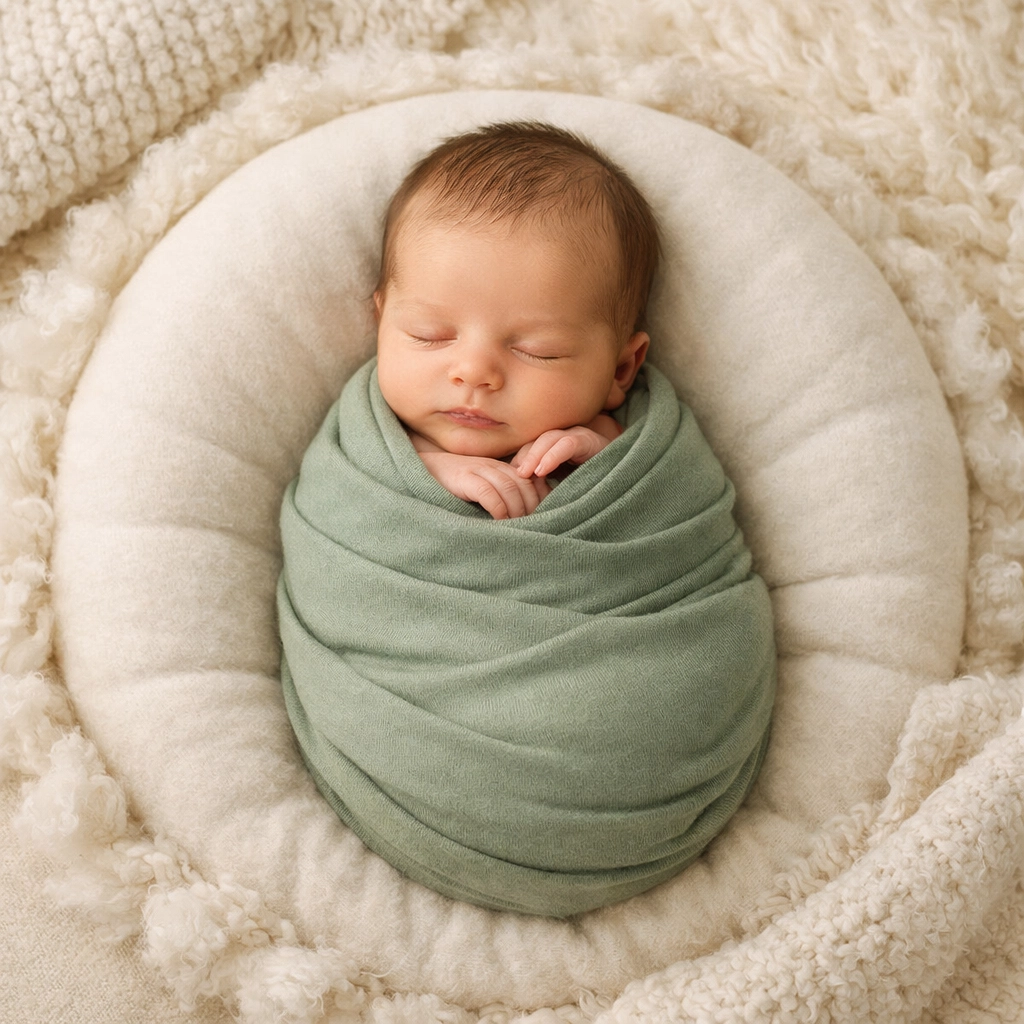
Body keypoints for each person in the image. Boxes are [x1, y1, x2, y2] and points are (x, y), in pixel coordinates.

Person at [371, 120, 659, 519]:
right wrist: (430, 471)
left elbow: (667, 503)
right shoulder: (366, 439)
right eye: (429, 334)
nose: (473, 373)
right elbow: (338, 498)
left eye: (537, 351)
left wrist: (603, 461)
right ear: (380, 323)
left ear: (620, 370)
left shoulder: (629, 439)